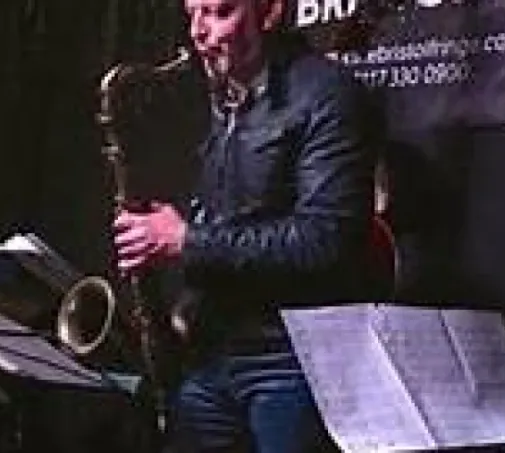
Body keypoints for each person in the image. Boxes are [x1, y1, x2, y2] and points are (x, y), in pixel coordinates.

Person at [111, 0, 379, 451]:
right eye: (192, 13)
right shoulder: (232, 96)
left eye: (219, 12)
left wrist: (185, 240)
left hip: (290, 361)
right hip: (215, 351)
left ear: (269, 12)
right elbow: (239, 221)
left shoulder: (328, 95)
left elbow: (326, 239)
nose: (198, 32)